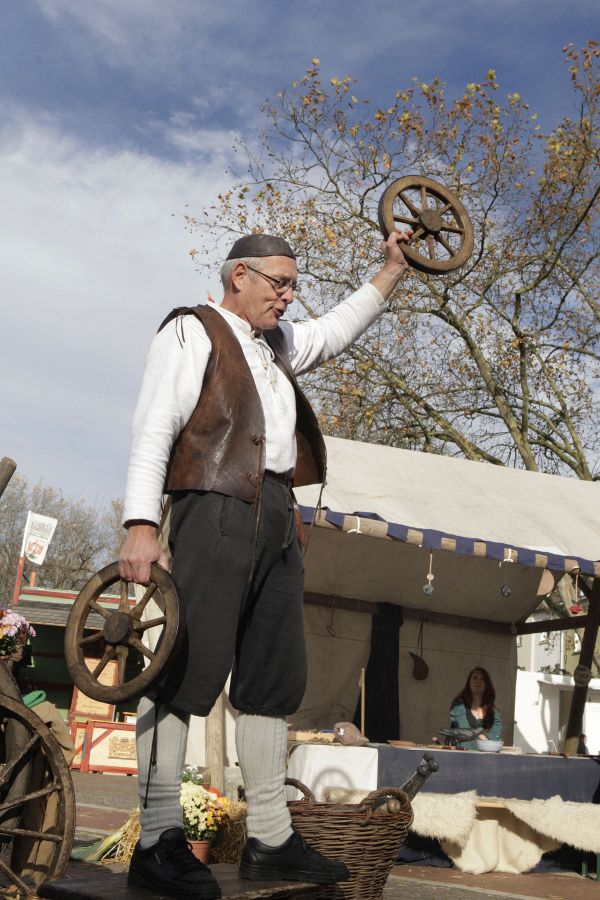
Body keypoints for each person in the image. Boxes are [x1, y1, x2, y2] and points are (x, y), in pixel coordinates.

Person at [118, 229, 412, 898]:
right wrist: (140, 524)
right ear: (239, 277)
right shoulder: (191, 330)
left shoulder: (275, 344)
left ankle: (271, 840)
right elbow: (154, 425)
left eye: (293, 285)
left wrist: (391, 271)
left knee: (274, 677)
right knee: (183, 669)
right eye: (280, 282)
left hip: (278, 514)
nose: (289, 296)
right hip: (213, 508)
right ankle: (158, 839)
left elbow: (334, 331)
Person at [449, 667, 502, 750]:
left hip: (485, 754)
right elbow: (464, 732)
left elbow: (495, 737)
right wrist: (483, 737)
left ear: (486, 684)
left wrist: (478, 737)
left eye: (482, 679)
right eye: (475, 678)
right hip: (461, 751)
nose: (478, 681)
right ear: (469, 682)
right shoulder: (458, 705)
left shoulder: (493, 711)